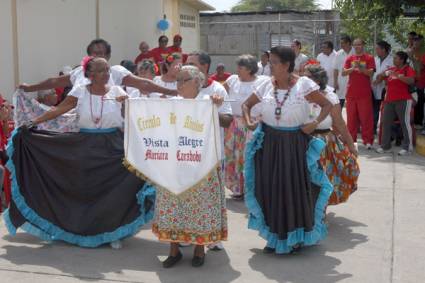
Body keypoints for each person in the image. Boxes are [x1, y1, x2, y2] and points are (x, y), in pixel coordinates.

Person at [3, 57, 155, 248]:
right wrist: (34, 122)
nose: (107, 73)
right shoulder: (80, 92)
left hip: (113, 148)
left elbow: (130, 117)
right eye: (101, 70)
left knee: (114, 193)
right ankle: (79, 229)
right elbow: (59, 110)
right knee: (87, 192)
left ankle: (112, 232)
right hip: (85, 147)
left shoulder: (117, 91)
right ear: (90, 75)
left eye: (107, 69)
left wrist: (126, 104)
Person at [242, 46, 333, 254]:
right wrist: (249, 122)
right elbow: (246, 106)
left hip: (294, 145)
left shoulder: (304, 84)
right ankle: (274, 236)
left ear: (286, 65)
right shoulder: (265, 84)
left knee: (292, 190)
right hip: (269, 143)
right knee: (270, 189)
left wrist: (314, 123)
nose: (269, 65)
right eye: (270, 61)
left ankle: (294, 237)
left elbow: (327, 105)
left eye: (274, 62)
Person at [153, 65, 227, 268]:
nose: (177, 85)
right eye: (176, 80)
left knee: (200, 208)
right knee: (173, 206)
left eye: (182, 80)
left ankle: (199, 249)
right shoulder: (171, 103)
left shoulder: (209, 100)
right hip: (174, 164)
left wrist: (215, 109)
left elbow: (228, 121)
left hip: (202, 164)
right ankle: (174, 250)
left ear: (196, 82)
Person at [186, 51, 233, 252]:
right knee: (187, 196)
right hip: (186, 154)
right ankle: (186, 234)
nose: (186, 67)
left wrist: (214, 107)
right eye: (186, 63)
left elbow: (227, 121)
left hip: (211, 155)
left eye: (192, 64)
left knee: (212, 197)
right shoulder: (184, 89)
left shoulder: (218, 90)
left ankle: (213, 237)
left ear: (204, 67)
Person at [19, 38, 177, 97]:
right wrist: (30, 88)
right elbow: (54, 81)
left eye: (101, 54)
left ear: (108, 57)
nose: (97, 57)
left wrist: (172, 91)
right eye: (94, 54)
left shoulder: (117, 72)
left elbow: (144, 83)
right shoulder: (79, 72)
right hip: (83, 132)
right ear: (88, 57)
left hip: (111, 133)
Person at [303, 64, 359, 205]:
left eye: (307, 77)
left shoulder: (329, 97)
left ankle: (320, 213)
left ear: (318, 80)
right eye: (303, 76)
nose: (303, 79)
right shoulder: (298, 94)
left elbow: (340, 123)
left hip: (323, 143)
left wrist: (350, 144)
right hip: (302, 140)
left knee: (321, 178)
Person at [222, 55, 268, 200]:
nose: (237, 70)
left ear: (249, 69)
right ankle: (237, 188)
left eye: (240, 68)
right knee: (234, 156)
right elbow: (220, 93)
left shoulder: (263, 81)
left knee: (250, 157)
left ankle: (252, 189)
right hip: (234, 124)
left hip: (253, 124)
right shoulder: (232, 80)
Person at [375, 51, 416, 155]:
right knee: (386, 122)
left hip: (403, 100)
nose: (394, 60)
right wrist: (383, 74)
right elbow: (379, 77)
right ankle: (385, 147)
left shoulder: (407, 69)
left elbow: (411, 81)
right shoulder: (392, 69)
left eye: (396, 58)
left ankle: (407, 148)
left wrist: (399, 76)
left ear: (402, 60)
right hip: (389, 100)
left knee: (405, 123)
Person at [343, 38, 376, 149]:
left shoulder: (369, 58)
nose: (357, 47)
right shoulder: (350, 58)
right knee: (351, 119)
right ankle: (351, 141)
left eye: (359, 44)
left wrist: (361, 67)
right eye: (355, 45)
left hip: (364, 93)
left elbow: (370, 73)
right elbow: (343, 72)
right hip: (351, 93)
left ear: (363, 45)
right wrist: (353, 67)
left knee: (366, 118)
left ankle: (368, 141)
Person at [372, 41, 393, 133]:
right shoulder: (374, 59)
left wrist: (382, 77)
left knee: (386, 111)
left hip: (386, 88)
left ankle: (386, 130)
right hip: (374, 87)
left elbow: (393, 72)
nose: (376, 50)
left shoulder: (392, 60)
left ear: (383, 50)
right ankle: (373, 128)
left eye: (377, 49)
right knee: (374, 109)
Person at [333, 35, 354, 108]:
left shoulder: (355, 52)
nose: (341, 45)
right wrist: (335, 82)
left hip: (353, 82)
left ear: (348, 43)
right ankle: (338, 118)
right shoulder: (338, 53)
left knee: (352, 103)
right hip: (341, 81)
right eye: (340, 43)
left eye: (343, 43)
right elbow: (335, 69)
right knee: (339, 103)